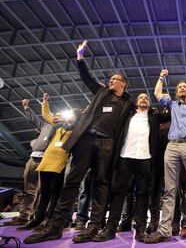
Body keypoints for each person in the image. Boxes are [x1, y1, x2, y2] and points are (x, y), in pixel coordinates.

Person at [24, 40, 134, 244]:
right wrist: (80, 57)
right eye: (110, 79)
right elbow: (87, 77)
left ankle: (93, 228)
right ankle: (55, 227)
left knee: (101, 185)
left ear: (123, 83)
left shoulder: (128, 104)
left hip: (107, 145)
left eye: (114, 79)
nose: (110, 81)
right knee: (72, 182)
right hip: (86, 141)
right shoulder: (101, 92)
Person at [144, 69, 186, 246]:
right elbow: (158, 93)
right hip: (172, 146)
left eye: (184, 87)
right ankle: (164, 230)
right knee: (169, 190)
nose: (181, 88)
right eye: (179, 87)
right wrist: (161, 77)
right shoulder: (172, 104)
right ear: (177, 92)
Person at [92, 93, 160, 242]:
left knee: (142, 195)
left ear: (149, 103)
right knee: (118, 193)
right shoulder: (127, 116)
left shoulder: (153, 118)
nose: (144, 99)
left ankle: (141, 230)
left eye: (146, 98)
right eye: (141, 97)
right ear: (136, 102)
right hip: (125, 157)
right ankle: (110, 229)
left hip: (145, 158)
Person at [20, 93, 81, 231]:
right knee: (44, 191)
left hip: (60, 161)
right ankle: (37, 219)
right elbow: (47, 116)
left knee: (55, 193)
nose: (67, 117)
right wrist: (45, 103)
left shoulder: (77, 130)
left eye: (71, 115)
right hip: (46, 159)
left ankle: (48, 220)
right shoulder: (58, 127)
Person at [3, 99, 54, 226]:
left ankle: (38, 216)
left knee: (43, 191)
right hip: (34, 159)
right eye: (54, 115)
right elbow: (34, 120)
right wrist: (27, 108)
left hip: (48, 160)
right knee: (30, 189)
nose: (56, 117)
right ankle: (25, 216)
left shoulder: (63, 128)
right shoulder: (46, 126)